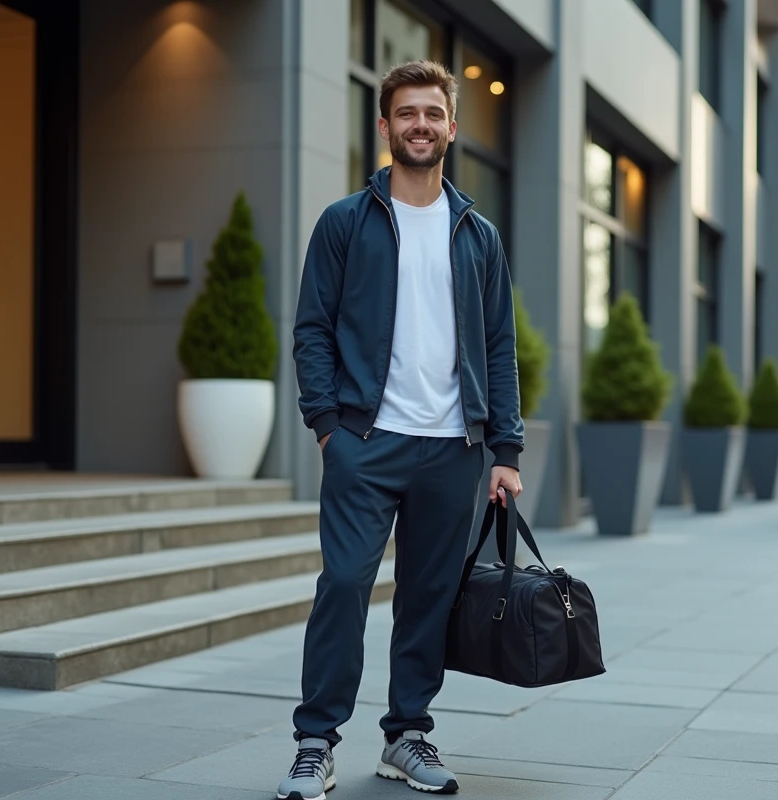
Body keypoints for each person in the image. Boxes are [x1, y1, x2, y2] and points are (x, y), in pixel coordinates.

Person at [284, 59, 525, 800]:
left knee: (425, 593)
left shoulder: (476, 234)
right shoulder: (344, 223)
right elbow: (312, 330)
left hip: (453, 448)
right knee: (346, 585)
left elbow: (499, 344)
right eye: (406, 114)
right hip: (364, 441)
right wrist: (327, 427)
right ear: (385, 126)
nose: (420, 125)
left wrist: (504, 450)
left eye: (433, 113)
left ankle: (407, 735)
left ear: (452, 127)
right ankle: (315, 743)